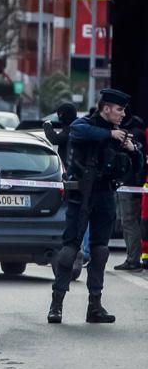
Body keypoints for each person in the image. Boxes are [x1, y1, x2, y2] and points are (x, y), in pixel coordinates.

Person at [48, 88, 143, 324]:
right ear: (107, 107)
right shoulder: (86, 124)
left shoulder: (118, 133)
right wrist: (110, 136)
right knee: (70, 249)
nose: (122, 115)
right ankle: (56, 305)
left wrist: (133, 150)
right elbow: (77, 132)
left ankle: (95, 306)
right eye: (119, 110)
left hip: (104, 195)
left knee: (100, 250)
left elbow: (137, 166)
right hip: (81, 195)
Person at [43, 103, 90, 269]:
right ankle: (74, 252)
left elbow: (55, 139)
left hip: (75, 178)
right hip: (73, 177)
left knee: (80, 216)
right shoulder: (76, 126)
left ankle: (84, 253)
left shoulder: (73, 129)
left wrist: (47, 127)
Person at [113, 115, 146, 272]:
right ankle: (132, 258)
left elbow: (135, 162)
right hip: (129, 184)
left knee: (129, 221)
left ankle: (133, 259)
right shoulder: (135, 131)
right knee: (128, 222)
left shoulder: (133, 134)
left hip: (130, 184)